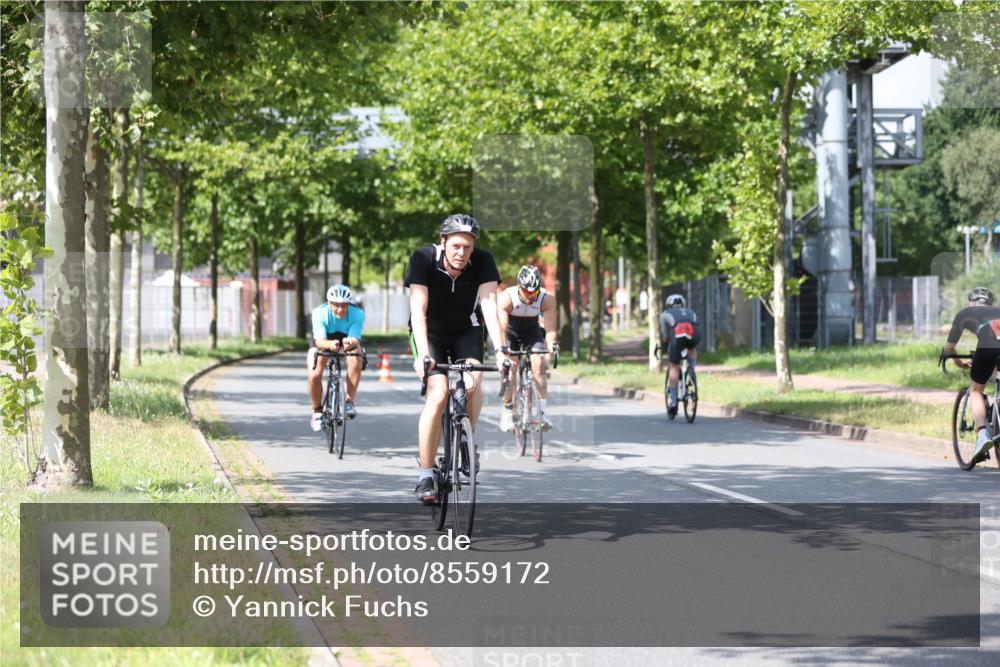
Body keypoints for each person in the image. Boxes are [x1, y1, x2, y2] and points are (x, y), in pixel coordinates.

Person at [405, 214, 507, 504]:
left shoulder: (483, 261)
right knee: (438, 394)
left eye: (468, 247)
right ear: (444, 242)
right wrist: (423, 355)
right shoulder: (423, 259)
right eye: (457, 246)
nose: (462, 253)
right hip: (430, 333)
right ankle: (426, 473)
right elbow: (418, 310)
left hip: (466, 329)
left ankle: (465, 439)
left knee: (472, 383)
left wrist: (501, 352)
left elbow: (489, 306)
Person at [942, 286, 1000, 463]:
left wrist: (958, 362)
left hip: (988, 345)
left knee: (976, 390)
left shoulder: (965, 313)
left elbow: (949, 347)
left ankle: (982, 434)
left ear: (971, 302)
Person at [498, 265, 558, 432]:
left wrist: (552, 345)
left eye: (534, 292)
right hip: (510, 332)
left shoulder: (547, 299)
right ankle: (508, 409)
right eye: (527, 292)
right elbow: (502, 330)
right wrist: (502, 350)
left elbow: (551, 329)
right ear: (519, 286)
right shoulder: (506, 297)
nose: (530, 296)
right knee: (510, 367)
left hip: (532, 331)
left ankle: (542, 413)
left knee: (538, 364)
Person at [307, 284, 364, 432]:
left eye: (344, 305)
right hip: (324, 340)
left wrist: (349, 343)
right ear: (329, 303)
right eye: (336, 305)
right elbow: (319, 341)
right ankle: (317, 411)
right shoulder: (319, 313)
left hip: (347, 339)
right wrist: (330, 344)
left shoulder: (357, 313)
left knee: (355, 358)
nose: (340, 309)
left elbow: (355, 339)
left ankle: (349, 402)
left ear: (348, 304)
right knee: (314, 374)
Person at [659, 293, 700, 418]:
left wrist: (665, 346)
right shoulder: (691, 312)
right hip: (694, 336)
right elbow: (696, 326)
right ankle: (692, 371)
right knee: (691, 347)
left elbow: (666, 337)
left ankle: (674, 403)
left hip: (678, 338)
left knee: (674, 366)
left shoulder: (665, 314)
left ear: (669, 305)